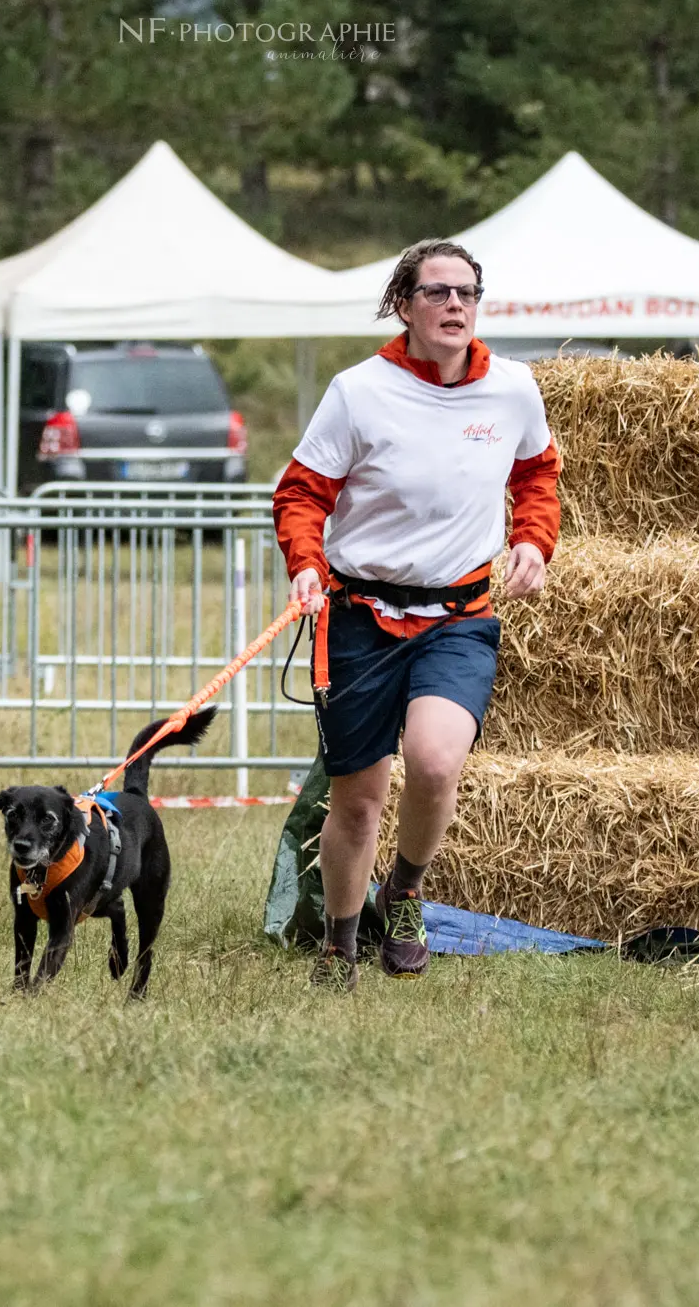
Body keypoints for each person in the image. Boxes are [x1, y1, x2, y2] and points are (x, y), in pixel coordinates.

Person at [272, 238, 562, 993]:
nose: (454, 305)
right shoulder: (358, 391)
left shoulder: (513, 388)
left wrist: (535, 540)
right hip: (360, 616)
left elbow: (537, 471)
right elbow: (301, 493)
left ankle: (403, 892)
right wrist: (306, 565)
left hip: (458, 615)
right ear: (404, 305)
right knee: (358, 801)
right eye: (436, 293)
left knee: (435, 761)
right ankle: (340, 941)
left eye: (466, 292)